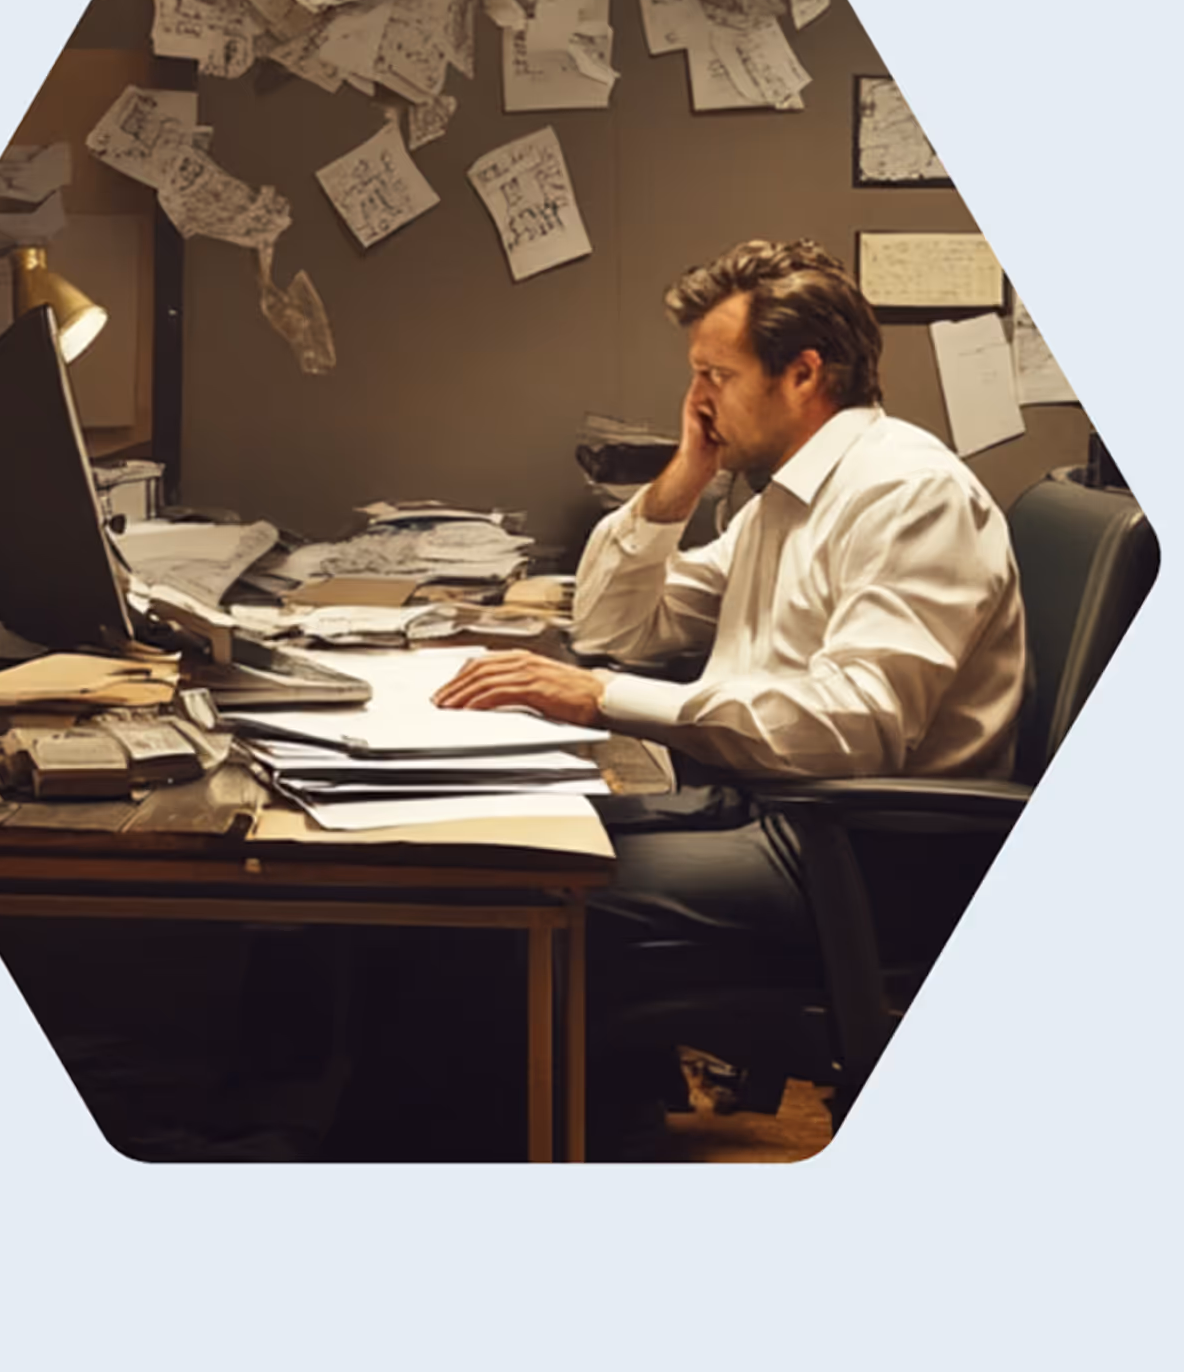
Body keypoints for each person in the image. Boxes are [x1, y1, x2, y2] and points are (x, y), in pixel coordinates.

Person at [432, 238, 1027, 1138]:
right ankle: (599, 1126)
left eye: (715, 372)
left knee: (514, 894)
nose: (698, 399)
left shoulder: (908, 495)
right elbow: (613, 625)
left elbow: (852, 730)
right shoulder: (783, 498)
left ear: (803, 373)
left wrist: (603, 698)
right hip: (776, 811)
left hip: (864, 854)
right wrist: (684, 476)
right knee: (493, 838)